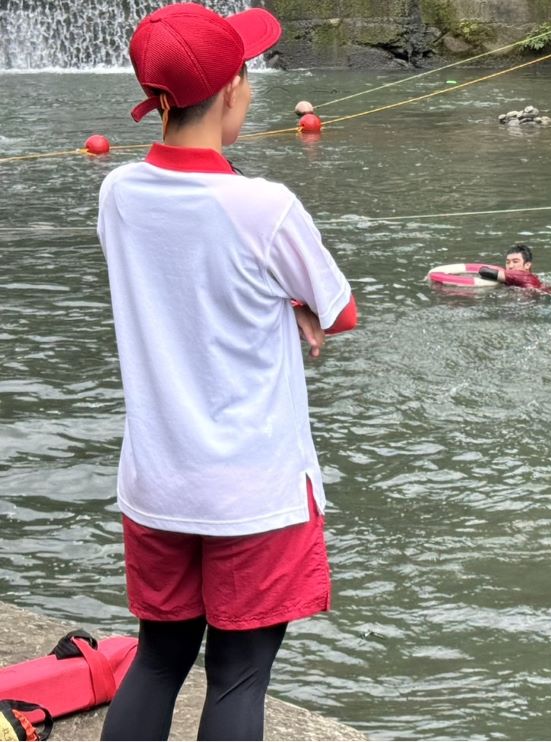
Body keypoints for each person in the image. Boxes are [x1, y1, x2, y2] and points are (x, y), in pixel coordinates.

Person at [96, 4, 356, 740]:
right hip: (253, 492)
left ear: (159, 97)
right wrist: (295, 304)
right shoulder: (266, 206)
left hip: (158, 482)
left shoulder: (118, 193)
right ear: (236, 88)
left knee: (157, 659)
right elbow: (340, 311)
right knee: (239, 676)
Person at [477, 242, 549, 291]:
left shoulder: (521, 275)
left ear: (527, 265)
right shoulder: (533, 277)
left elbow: (484, 271)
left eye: (515, 261)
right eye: (508, 262)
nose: (510, 266)